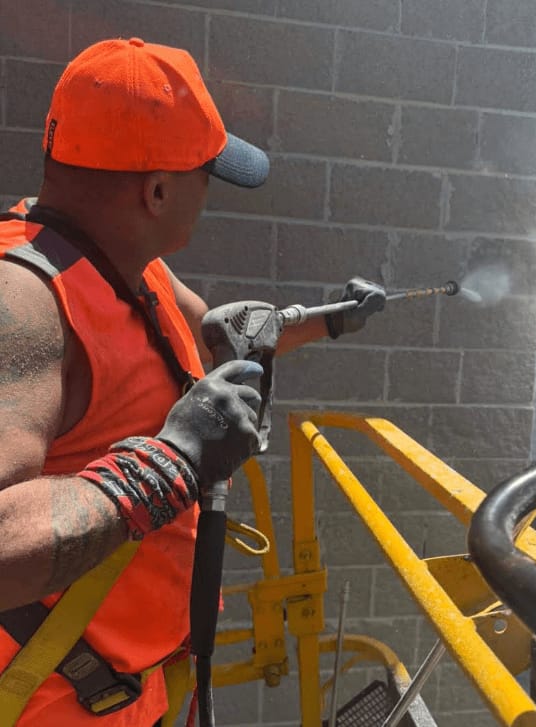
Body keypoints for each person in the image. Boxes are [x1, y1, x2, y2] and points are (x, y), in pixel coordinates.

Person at [0, 37, 385, 726]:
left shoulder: (124, 260)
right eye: (205, 175)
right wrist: (168, 464)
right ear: (156, 191)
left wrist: (328, 321)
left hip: (125, 690)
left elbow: (209, 338)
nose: (208, 195)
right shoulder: (24, 304)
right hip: (43, 705)